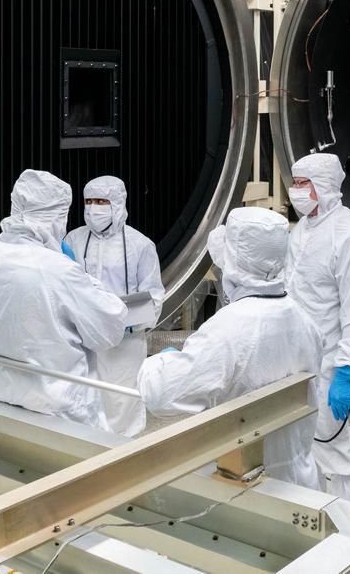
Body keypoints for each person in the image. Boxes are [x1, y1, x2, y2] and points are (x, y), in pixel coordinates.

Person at [137, 207, 322, 489]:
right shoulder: (303, 320)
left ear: (235, 262)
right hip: (300, 479)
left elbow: (160, 396)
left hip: (246, 483)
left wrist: (160, 362)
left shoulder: (229, 329)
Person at [0, 169, 128, 430]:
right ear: (57, 217)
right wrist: (82, 275)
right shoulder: (60, 272)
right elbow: (109, 330)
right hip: (60, 418)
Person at [284, 152, 350, 519]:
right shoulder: (302, 230)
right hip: (301, 361)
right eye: (293, 182)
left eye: (302, 183)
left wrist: (345, 372)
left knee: (341, 457)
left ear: (323, 186)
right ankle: (318, 536)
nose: (295, 191)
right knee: (304, 452)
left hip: (334, 366)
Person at [64, 175, 166, 436]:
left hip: (125, 341)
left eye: (101, 201)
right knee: (86, 395)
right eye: (89, 201)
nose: (94, 208)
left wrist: (130, 324)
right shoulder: (73, 240)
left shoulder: (140, 245)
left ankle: (124, 452)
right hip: (84, 338)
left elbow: (153, 294)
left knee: (122, 400)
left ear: (118, 203)